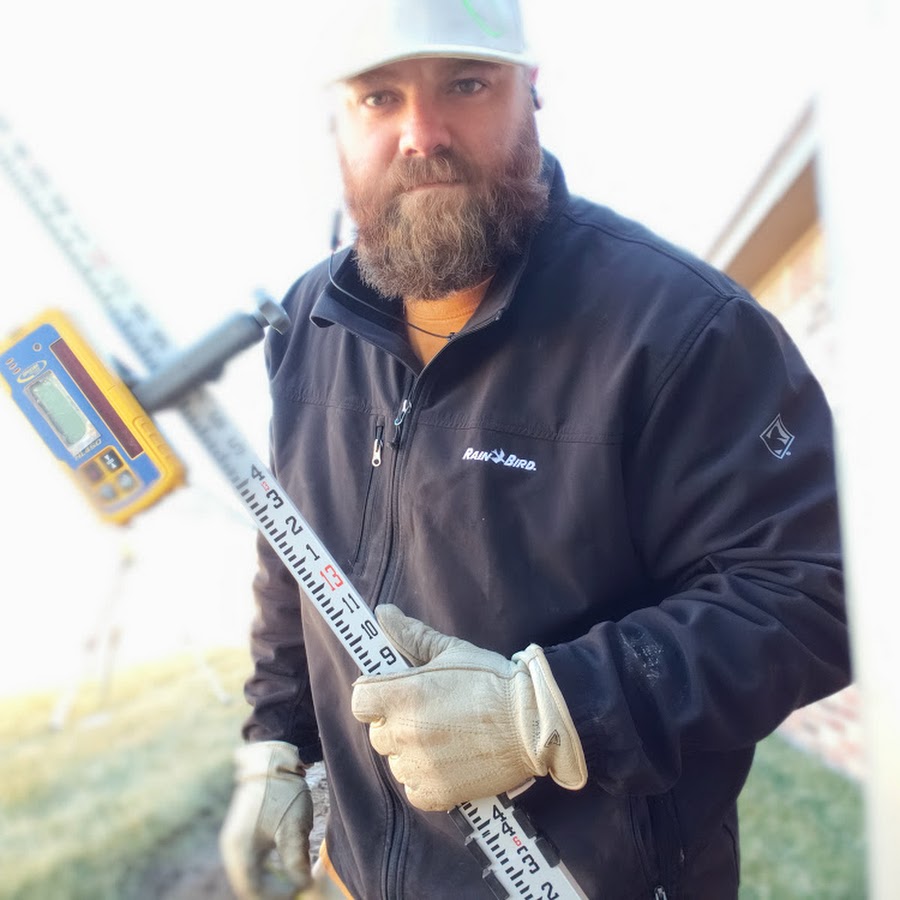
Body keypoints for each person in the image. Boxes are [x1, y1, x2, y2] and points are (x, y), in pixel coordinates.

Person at [218, 1, 852, 897]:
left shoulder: (679, 328)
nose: (422, 134)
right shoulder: (308, 326)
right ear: (336, 123)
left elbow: (815, 590)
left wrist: (553, 711)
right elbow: (294, 555)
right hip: (362, 876)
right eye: (379, 98)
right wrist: (276, 740)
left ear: (531, 91)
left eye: (466, 84)